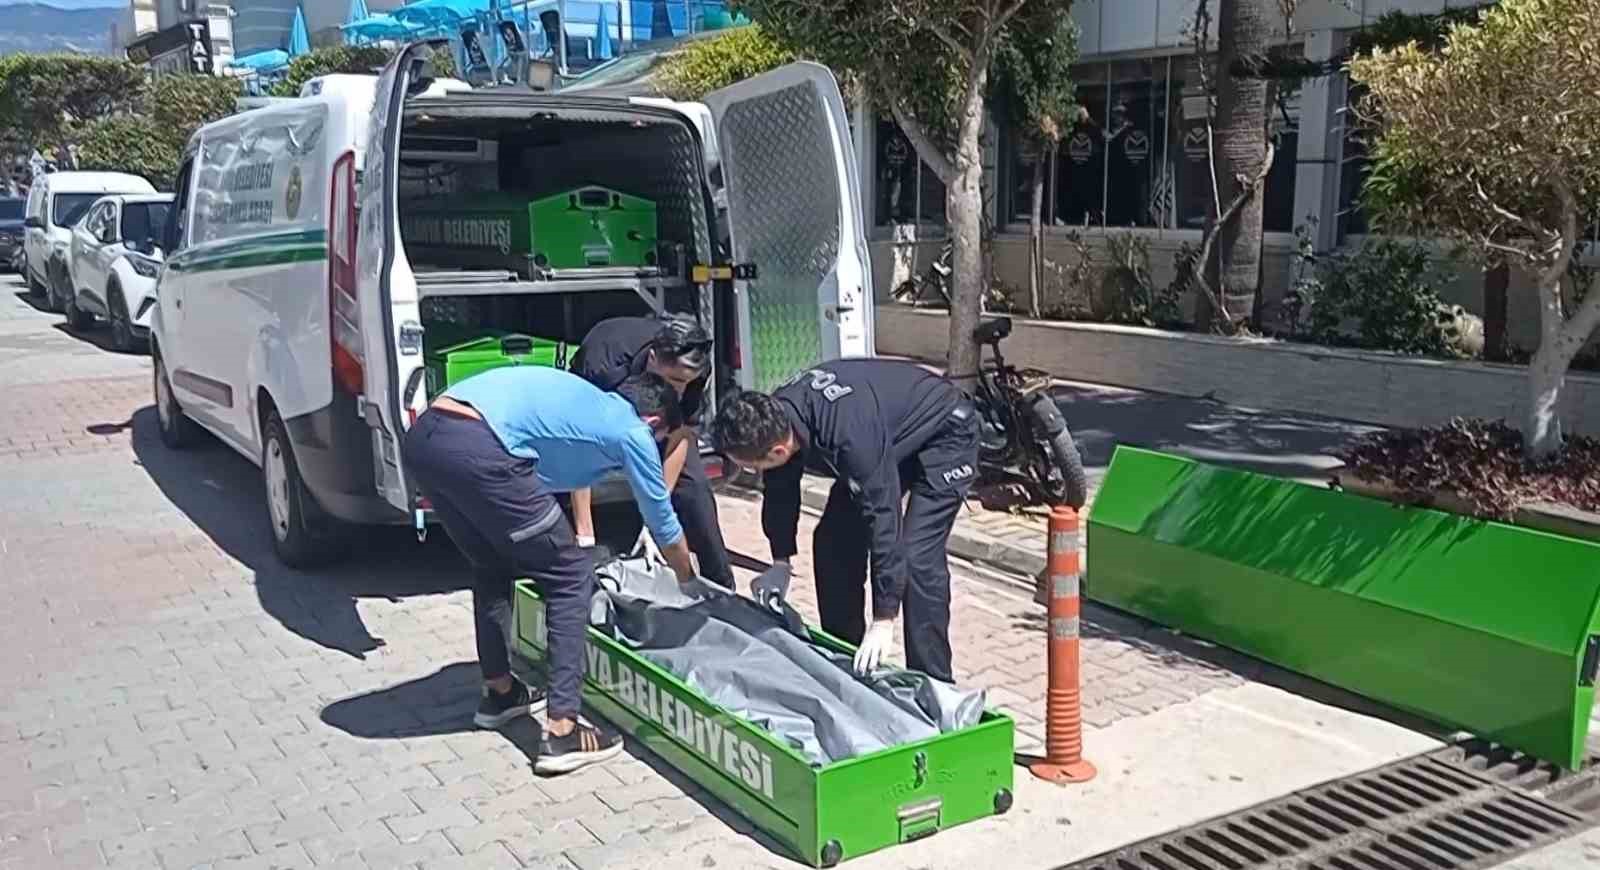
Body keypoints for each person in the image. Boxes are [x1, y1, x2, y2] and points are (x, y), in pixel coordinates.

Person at [402, 366, 698, 775]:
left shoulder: (590, 405)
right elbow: (663, 521)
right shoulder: (632, 430)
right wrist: (687, 577)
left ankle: (501, 694)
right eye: (660, 441)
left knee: (490, 562)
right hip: (479, 443)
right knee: (570, 576)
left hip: (427, 438)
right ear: (653, 422)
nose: (655, 449)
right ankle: (562, 731)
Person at [710, 359, 979, 683]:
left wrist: (884, 618)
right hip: (889, 435)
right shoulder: (780, 415)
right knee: (832, 541)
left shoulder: (848, 435)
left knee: (916, 556)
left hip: (945, 433)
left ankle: (934, 683)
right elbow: (780, 490)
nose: (750, 472)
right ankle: (846, 657)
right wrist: (781, 562)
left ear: (779, 450)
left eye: (749, 466)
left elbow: (883, 518)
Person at [567, 314, 734, 589]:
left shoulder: (692, 366)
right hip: (602, 413)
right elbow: (579, 446)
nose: (680, 391)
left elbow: (680, 434)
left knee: (695, 489)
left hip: (657, 418)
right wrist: (585, 536)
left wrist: (655, 518)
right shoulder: (604, 361)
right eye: (673, 380)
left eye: (687, 383)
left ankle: (723, 587)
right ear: (653, 358)